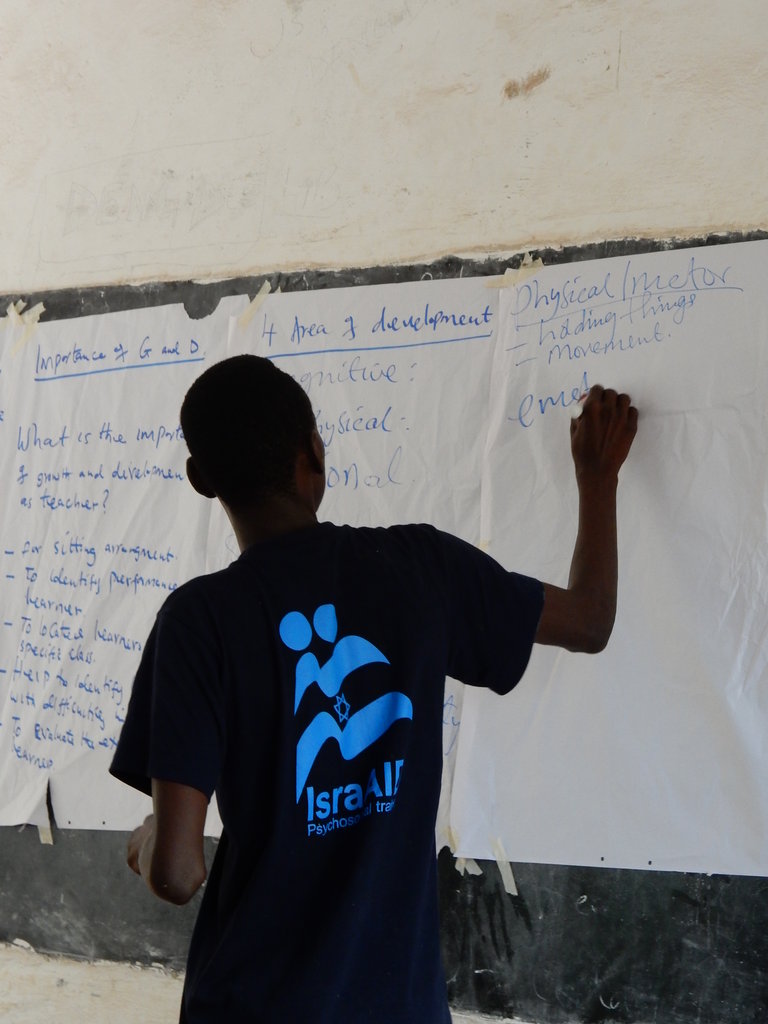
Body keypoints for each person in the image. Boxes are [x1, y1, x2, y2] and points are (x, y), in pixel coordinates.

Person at [110, 355, 637, 1023]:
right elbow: (590, 620)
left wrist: (150, 838)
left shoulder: (199, 621)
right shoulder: (420, 568)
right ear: (314, 452)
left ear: (200, 480)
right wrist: (597, 476)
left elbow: (178, 873)